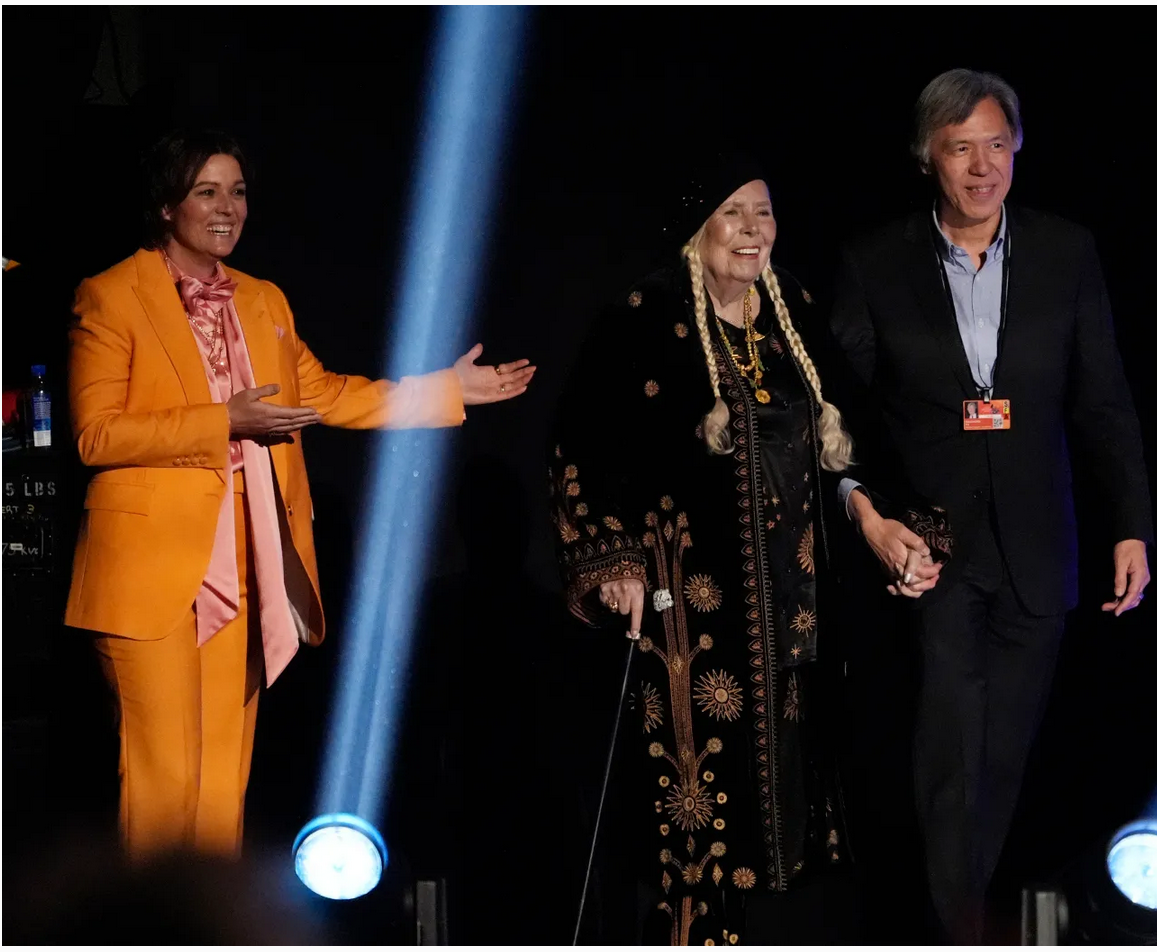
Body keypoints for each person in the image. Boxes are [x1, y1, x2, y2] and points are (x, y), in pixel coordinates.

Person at [65, 129, 535, 861]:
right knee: (162, 791)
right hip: (151, 575)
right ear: (166, 207)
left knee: (222, 792)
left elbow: (325, 395)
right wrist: (228, 420)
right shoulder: (111, 295)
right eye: (207, 192)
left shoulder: (263, 300)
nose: (228, 208)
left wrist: (444, 390)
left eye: (239, 191)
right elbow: (97, 436)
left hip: (244, 571)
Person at [550, 157, 917, 945]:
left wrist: (889, 520)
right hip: (689, 603)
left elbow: (860, 437)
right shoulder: (644, 316)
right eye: (734, 214)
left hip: (794, 605)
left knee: (786, 800)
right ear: (697, 228)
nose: (753, 232)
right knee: (694, 791)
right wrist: (612, 558)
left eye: (765, 214)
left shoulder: (796, 318)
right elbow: (584, 440)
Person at [829, 69, 1154, 942]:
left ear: (1018, 150)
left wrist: (1131, 524)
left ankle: (956, 920)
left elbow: (1104, 400)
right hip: (929, 549)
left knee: (1001, 761)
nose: (982, 168)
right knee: (945, 754)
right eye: (960, 148)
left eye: (996, 146)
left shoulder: (1066, 251)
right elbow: (839, 413)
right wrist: (866, 509)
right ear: (928, 158)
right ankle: (952, 930)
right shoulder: (875, 262)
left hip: (1039, 545)